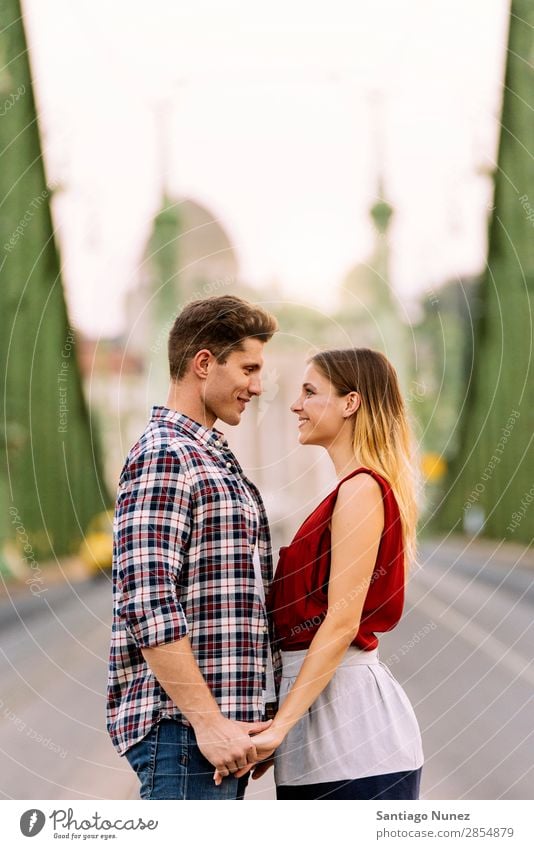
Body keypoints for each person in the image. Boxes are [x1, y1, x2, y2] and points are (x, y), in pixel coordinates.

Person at [222, 347, 424, 799]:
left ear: (350, 403)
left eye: (310, 392)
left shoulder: (360, 491)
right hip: (323, 735)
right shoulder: (347, 492)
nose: (296, 404)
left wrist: (279, 728)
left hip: (354, 740)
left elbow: (340, 623)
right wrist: (285, 727)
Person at [107, 295, 281, 800]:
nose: (258, 386)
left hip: (218, 737)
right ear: (204, 363)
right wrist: (210, 725)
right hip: (182, 736)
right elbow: (147, 601)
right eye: (248, 368)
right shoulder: (166, 454)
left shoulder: (209, 455)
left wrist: (253, 716)